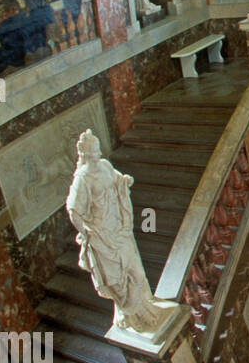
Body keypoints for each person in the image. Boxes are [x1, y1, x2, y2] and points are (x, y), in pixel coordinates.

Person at [65, 129, 178, 335]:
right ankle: (133, 316)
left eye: (97, 150)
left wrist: (124, 181)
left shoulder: (105, 165)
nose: (96, 155)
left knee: (136, 271)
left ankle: (144, 307)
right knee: (118, 281)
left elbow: (116, 179)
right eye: (92, 151)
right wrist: (88, 234)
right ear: (84, 154)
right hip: (103, 237)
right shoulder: (82, 179)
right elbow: (74, 211)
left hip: (120, 229)